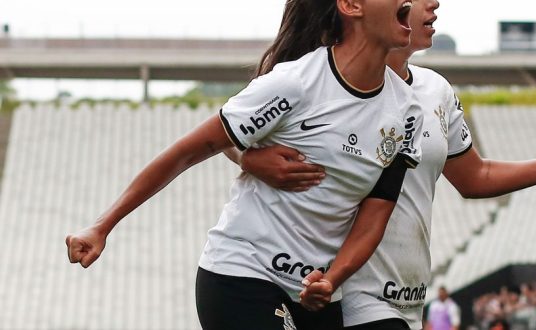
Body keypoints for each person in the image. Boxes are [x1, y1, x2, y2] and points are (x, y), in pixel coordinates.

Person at [227, 0, 536, 328]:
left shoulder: (435, 90)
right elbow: (224, 132)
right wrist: (251, 158)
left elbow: (475, 177)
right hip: (354, 295)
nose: (433, 5)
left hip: (408, 299)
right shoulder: (324, 82)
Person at [65, 0, 424, 329]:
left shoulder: (407, 109)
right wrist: (101, 226)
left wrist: (332, 279)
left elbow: (375, 215)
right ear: (351, 5)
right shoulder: (295, 83)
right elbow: (190, 150)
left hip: (316, 293)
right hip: (242, 274)